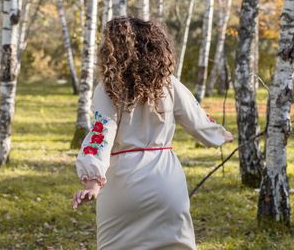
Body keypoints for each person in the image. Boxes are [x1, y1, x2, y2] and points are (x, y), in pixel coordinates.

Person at [72, 17, 234, 249]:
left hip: (123, 185)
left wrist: (93, 182)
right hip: (165, 181)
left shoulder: (108, 89)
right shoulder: (169, 84)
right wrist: (221, 135)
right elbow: (196, 120)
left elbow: (101, 134)